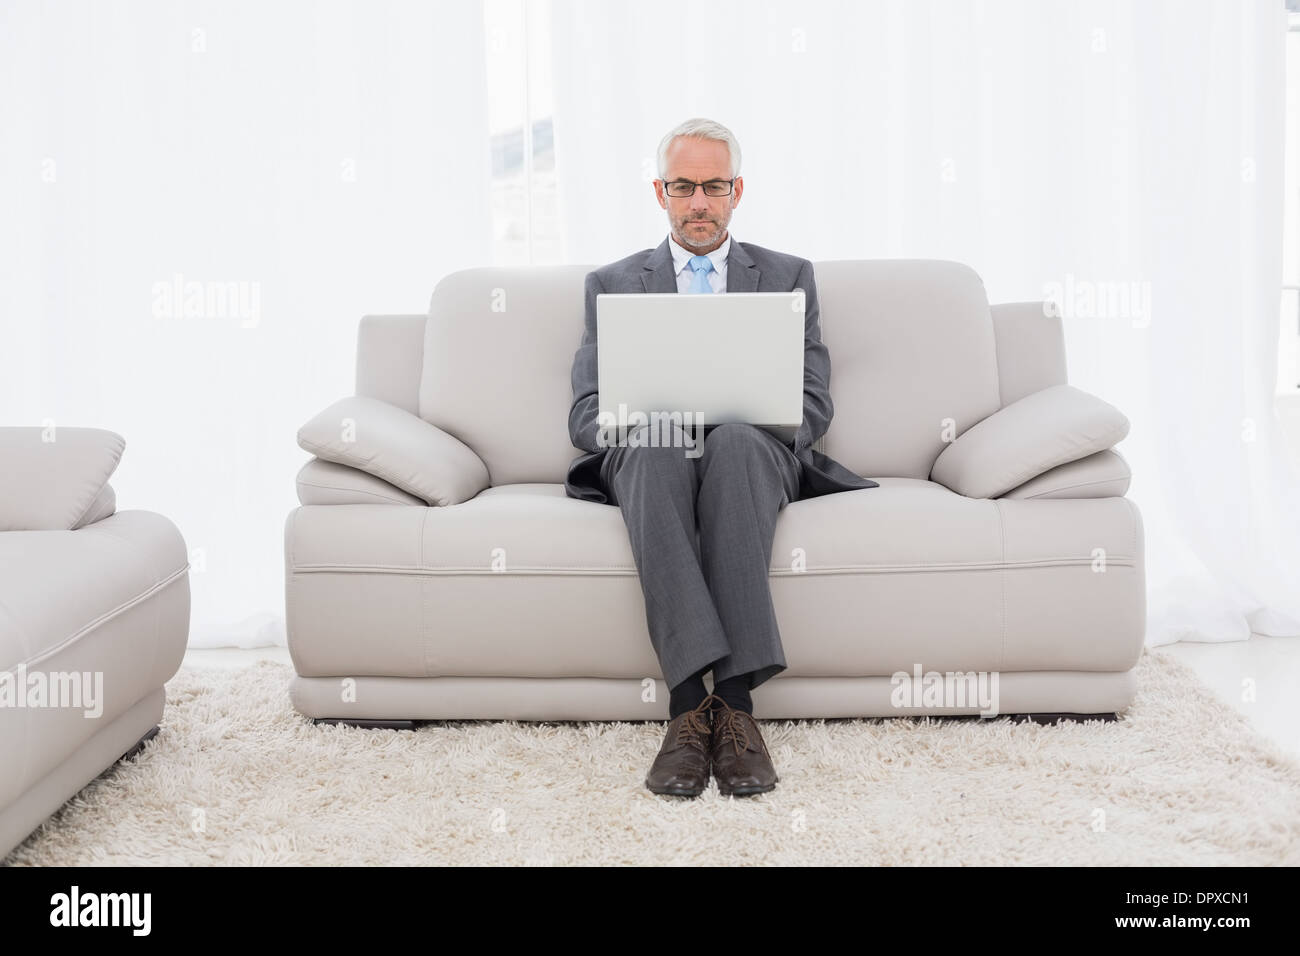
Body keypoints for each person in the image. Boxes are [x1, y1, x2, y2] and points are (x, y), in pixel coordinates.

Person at [563, 117, 878, 798]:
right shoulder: (612, 283)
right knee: (655, 446)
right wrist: (656, 422)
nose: (699, 202)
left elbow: (813, 403)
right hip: (651, 453)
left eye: (713, 186)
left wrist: (741, 416)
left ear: (737, 191)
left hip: (750, 452)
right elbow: (586, 416)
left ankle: (733, 706)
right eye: (684, 186)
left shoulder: (789, 276)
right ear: (660, 192)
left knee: (735, 440)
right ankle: (689, 709)